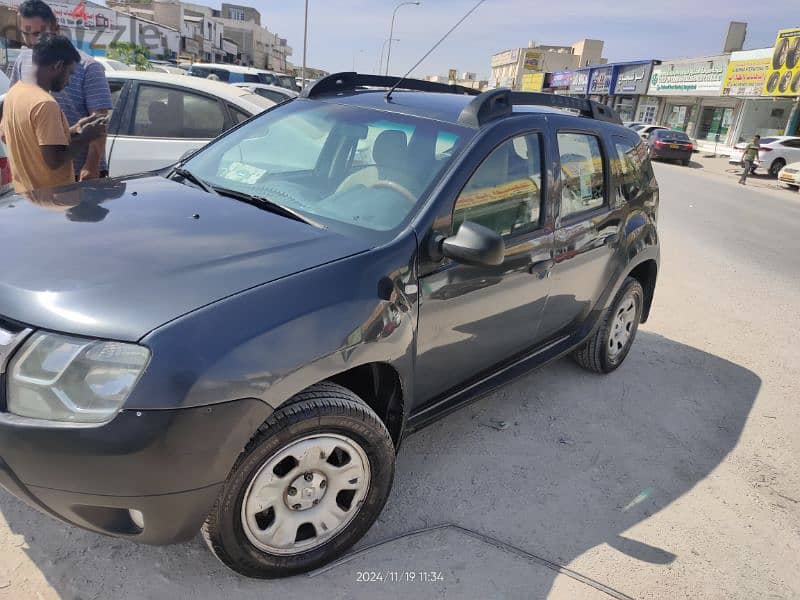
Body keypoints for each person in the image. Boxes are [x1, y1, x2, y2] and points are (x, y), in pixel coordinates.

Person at [10, 0, 113, 181]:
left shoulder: (88, 66)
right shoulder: (22, 61)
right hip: (41, 173)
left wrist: (91, 165)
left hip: (79, 173)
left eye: (39, 33)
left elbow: (99, 122)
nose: (33, 41)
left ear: (55, 29)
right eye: (26, 33)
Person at [0, 34, 105, 193]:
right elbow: (55, 161)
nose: (69, 81)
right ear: (57, 66)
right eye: (69, 73)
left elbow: (14, 137)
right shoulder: (45, 104)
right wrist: (86, 137)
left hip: (25, 193)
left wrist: (74, 130)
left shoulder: (15, 93)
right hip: (52, 197)